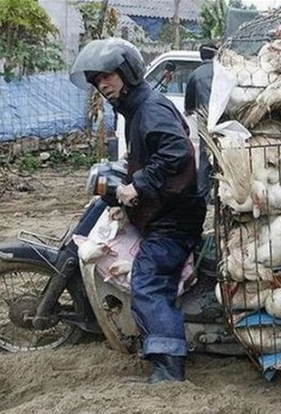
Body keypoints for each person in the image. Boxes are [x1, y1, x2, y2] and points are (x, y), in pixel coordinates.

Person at [70, 38, 206, 383]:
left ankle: (168, 367)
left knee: (148, 282)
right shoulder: (135, 109)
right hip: (160, 210)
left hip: (173, 219)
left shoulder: (149, 108)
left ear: (127, 72)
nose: (102, 86)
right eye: (97, 81)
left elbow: (178, 151)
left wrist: (139, 184)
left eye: (107, 77)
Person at [184, 43, 218, 201]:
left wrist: (190, 111)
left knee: (205, 156)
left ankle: (203, 196)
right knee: (226, 153)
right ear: (215, 55)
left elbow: (189, 104)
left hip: (205, 119)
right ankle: (221, 193)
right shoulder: (222, 71)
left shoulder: (195, 75)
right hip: (224, 117)